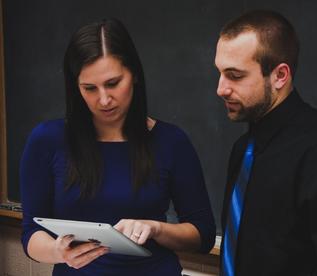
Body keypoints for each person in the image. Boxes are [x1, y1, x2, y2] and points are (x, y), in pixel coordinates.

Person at [20, 18, 215, 276]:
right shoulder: (46, 140)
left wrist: (156, 229)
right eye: (89, 88)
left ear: (133, 74)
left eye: (113, 83)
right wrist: (59, 251)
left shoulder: (172, 141)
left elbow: (203, 234)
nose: (104, 99)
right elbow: (31, 233)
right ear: (75, 87)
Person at [215, 10, 317, 276]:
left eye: (235, 76)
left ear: (280, 75)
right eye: (219, 73)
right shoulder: (244, 150)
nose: (221, 88)